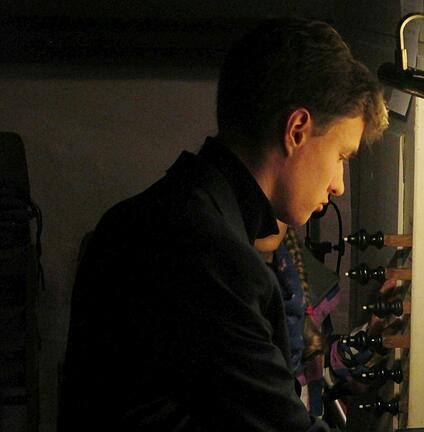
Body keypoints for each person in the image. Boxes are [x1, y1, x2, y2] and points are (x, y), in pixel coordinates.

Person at [60, 17, 388, 431]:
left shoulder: (156, 212)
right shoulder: (209, 257)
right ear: (297, 130)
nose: (339, 185)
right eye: (341, 156)